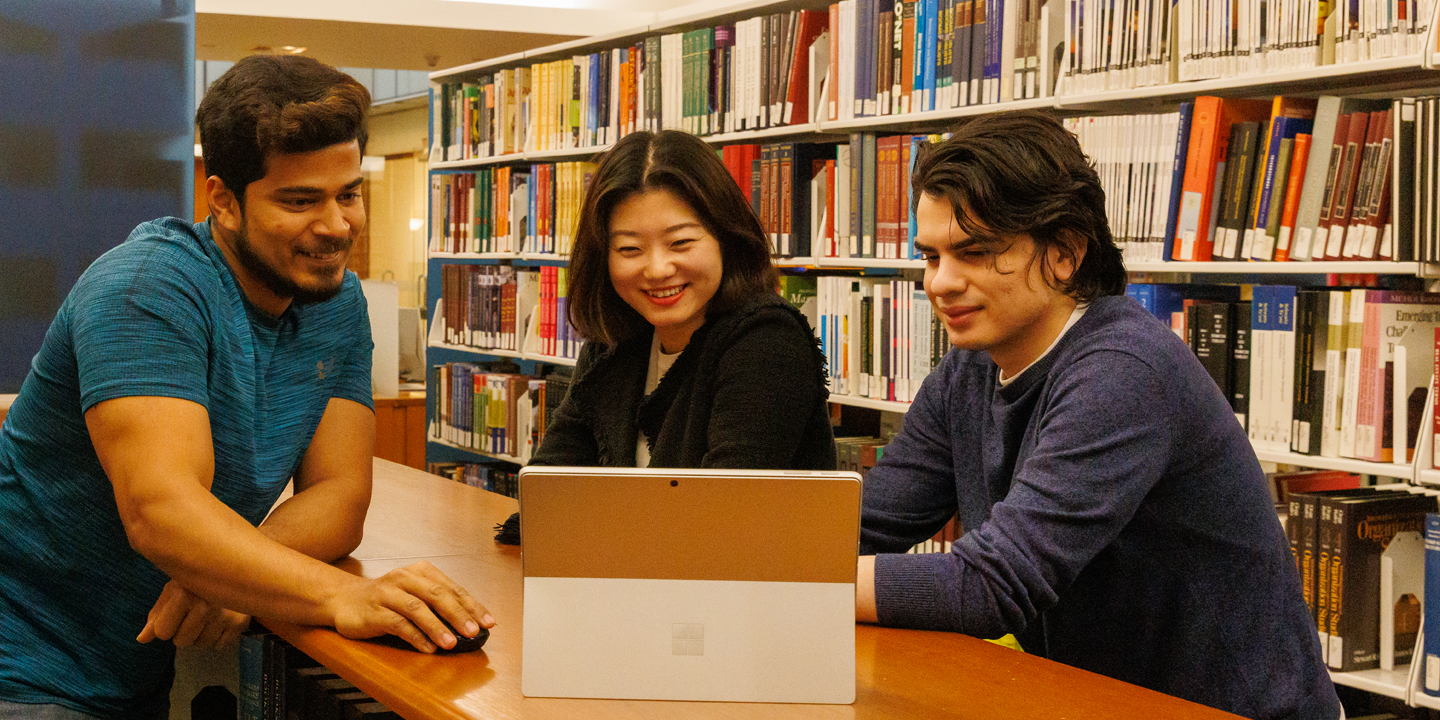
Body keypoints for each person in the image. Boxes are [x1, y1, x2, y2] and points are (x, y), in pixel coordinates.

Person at [0, 55, 491, 720]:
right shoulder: (146, 288)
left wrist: (241, 575)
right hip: (22, 669)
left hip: (132, 672)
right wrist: (330, 593)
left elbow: (342, 495)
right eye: (299, 201)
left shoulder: (336, 303)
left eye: (347, 193)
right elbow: (162, 511)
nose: (337, 225)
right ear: (223, 199)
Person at [853, 110, 1339, 720]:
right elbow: (863, 523)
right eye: (930, 257)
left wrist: (809, 585)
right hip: (1094, 699)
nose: (941, 283)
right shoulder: (969, 369)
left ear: (1065, 253)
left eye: (973, 253)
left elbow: (993, 585)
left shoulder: (1125, 371)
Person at [529, 130, 834, 470]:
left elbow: (721, 508)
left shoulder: (767, 339)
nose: (657, 270)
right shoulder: (613, 346)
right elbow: (548, 485)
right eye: (630, 249)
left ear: (725, 236)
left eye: (681, 242)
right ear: (603, 258)